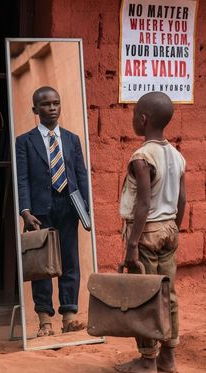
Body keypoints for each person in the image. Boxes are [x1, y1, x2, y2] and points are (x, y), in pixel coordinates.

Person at [116, 92, 186, 373]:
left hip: (145, 233)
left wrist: (132, 245)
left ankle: (147, 360)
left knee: (144, 294)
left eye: (134, 114)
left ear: (142, 120)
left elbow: (143, 204)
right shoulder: (177, 156)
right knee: (168, 295)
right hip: (169, 229)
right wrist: (174, 231)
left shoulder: (142, 156)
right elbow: (181, 201)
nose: (134, 118)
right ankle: (168, 359)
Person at [16, 86, 89, 336]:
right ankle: (44, 319)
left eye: (56, 103)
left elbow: (81, 175)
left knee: (70, 260)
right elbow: (22, 178)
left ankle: (68, 316)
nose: (52, 108)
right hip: (39, 211)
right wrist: (25, 211)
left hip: (68, 208)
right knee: (42, 264)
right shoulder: (24, 141)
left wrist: (85, 210)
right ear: (35, 109)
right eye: (46, 104)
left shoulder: (71, 139)